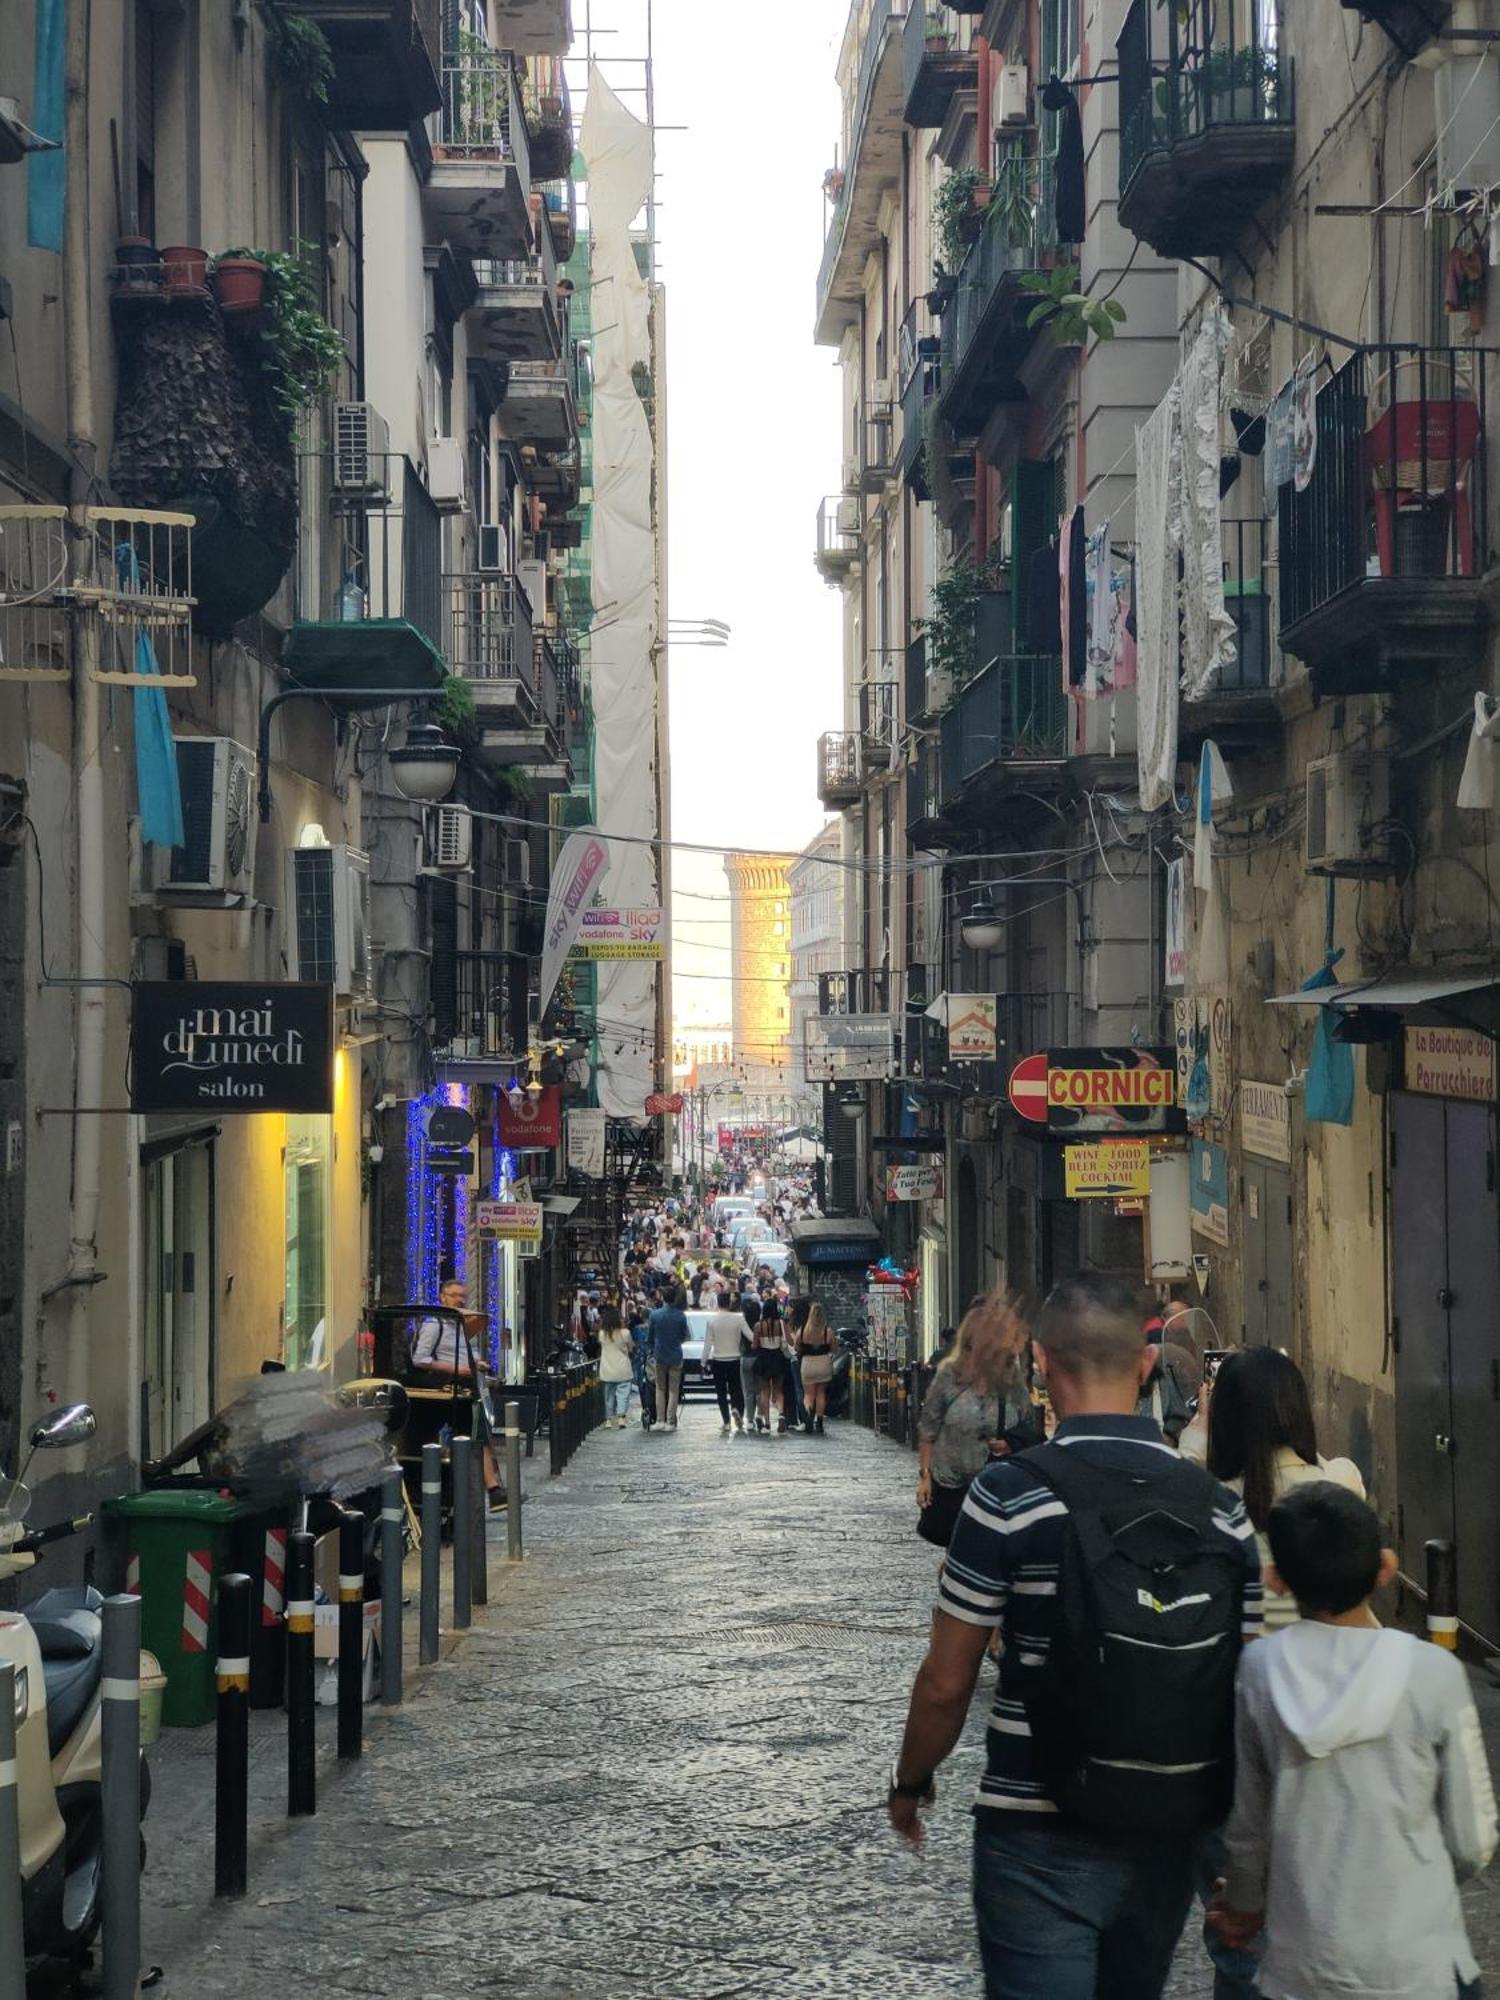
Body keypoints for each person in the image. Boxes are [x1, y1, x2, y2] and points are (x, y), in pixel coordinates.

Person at [887, 1273, 1262, 2000]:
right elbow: (1251, 1696)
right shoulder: (1219, 1512)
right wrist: (1243, 1862)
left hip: (1035, 1826)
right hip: (1164, 1828)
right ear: (1147, 1364)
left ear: (1039, 1362)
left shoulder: (1007, 1496)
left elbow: (946, 1680)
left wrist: (911, 1783)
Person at [1211, 1483, 1497, 2000]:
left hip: (1301, 1967)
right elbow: (1473, 1839)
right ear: (1386, 1568)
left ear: (1276, 1582)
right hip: (1420, 1964)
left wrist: (1243, 1908)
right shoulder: (1433, 1671)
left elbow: (1249, 1827)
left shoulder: (1259, 1670)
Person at [915, 1291, 1034, 1547]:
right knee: (959, 1549)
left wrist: (1011, 1443)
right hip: (951, 1483)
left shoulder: (1010, 1376)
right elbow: (928, 1428)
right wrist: (925, 1476)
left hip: (997, 1483)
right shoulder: (949, 1375)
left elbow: (1029, 1423)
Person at [411, 1278, 506, 1510]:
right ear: (443, 1297)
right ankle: (491, 1490)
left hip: (465, 1388)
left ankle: (491, 1490)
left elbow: (461, 1355)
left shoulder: (460, 1325)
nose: (460, 1300)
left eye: (462, 1296)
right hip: (445, 1391)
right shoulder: (435, 1324)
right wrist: (457, 1369)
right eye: (454, 1295)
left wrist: (476, 1363)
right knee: (477, 1436)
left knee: (479, 1436)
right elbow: (420, 1359)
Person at [703, 1294, 748, 1434]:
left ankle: (726, 1422)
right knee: (736, 1389)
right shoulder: (738, 1319)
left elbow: (707, 1344)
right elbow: (750, 1336)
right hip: (734, 1359)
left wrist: (703, 1362)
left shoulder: (712, 1321)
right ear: (729, 1303)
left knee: (721, 1392)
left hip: (718, 1359)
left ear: (718, 1303)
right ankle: (737, 1409)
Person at [648, 1283, 689, 1432]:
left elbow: (650, 1337)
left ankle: (660, 1419)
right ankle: (670, 1421)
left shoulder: (655, 1315)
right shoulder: (680, 1315)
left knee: (660, 1388)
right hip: (676, 1354)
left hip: (659, 1354)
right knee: (673, 1390)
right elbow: (684, 1336)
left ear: (664, 1298)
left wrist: (653, 1347)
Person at [795, 1301, 837, 1435]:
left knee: (808, 1394)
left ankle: (808, 1412)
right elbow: (834, 1348)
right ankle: (819, 1422)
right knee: (821, 1393)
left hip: (807, 1364)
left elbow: (796, 1347)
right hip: (823, 1363)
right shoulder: (827, 1332)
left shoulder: (802, 1331)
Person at [752, 1296, 790, 1434]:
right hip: (778, 1358)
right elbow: (788, 1341)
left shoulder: (758, 1325)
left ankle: (767, 1423)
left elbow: (754, 1345)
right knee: (779, 1391)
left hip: (764, 1359)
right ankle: (781, 1414)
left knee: (764, 1392)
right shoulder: (781, 1324)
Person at [598, 1304, 635, 1428]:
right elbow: (631, 1348)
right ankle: (621, 1419)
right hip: (623, 1368)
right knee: (623, 1395)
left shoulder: (602, 1334)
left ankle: (608, 1420)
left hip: (607, 1369)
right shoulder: (625, 1333)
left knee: (608, 1396)